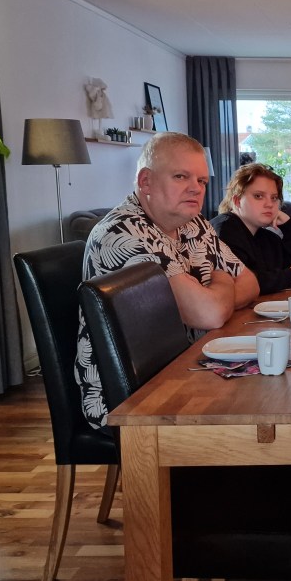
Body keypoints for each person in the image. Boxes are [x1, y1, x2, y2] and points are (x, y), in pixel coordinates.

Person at [75, 133, 259, 430]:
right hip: (134, 398)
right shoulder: (123, 233)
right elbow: (210, 314)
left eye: (201, 181)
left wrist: (215, 298)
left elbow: (250, 283)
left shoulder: (194, 223)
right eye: (180, 176)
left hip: (187, 365)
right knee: (261, 412)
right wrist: (223, 278)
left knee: (270, 390)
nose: (196, 188)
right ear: (146, 182)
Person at [211, 163, 291, 295]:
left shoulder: (267, 237)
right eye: (258, 196)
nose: (269, 204)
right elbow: (242, 284)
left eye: (274, 198)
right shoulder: (225, 229)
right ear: (237, 201)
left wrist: (288, 226)